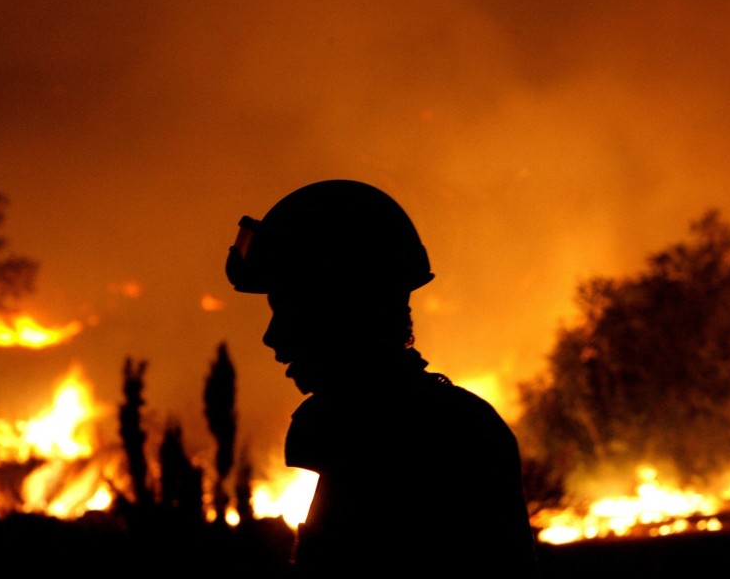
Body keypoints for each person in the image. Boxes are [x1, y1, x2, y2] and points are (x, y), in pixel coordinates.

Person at [225, 179, 540, 576]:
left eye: (289, 309)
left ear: (346, 308)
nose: (273, 338)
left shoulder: (411, 443)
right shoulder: (414, 430)